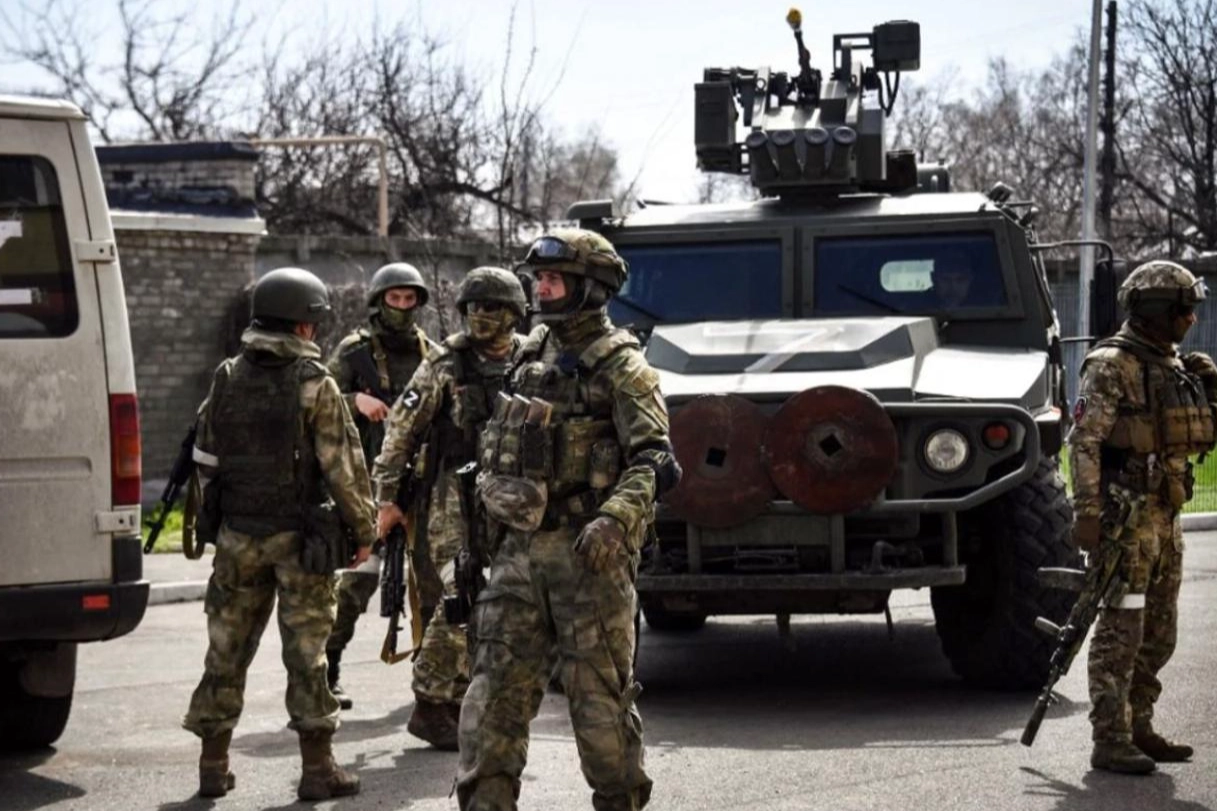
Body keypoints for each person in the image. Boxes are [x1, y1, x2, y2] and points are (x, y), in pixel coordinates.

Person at [456, 229, 682, 811]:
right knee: (491, 697)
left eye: (554, 279)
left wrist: (614, 521)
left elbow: (656, 460)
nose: (542, 288)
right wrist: (478, 543)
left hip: (588, 560)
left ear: (592, 287)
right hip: (516, 554)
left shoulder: (622, 365)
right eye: (539, 279)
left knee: (598, 705)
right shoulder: (528, 354)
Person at [181, 267, 376, 801]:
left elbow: (206, 457)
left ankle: (212, 767)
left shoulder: (227, 375)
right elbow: (343, 468)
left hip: (238, 537)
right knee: (307, 656)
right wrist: (363, 530)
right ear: (305, 325)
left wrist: (215, 522)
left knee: (225, 650)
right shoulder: (315, 383)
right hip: (301, 543)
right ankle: (318, 770)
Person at [371, 266, 528, 750]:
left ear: (513, 313)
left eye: (491, 307)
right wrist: (387, 499)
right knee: (461, 593)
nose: (480, 315)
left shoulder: (529, 359)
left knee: (498, 601)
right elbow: (401, 431)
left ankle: (459, 696)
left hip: (510, 498)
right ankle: (428, 700)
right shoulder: (444, 363)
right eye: (473, 307)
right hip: (451, 497)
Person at [1069, 260, 1216, 775]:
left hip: (1165, 517)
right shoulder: (1111, 365)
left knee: (1160, 631)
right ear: (1156, 310)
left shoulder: (1175, 366)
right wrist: (1087, 512)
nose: (1191, 320)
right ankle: (1110, 738)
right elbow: (1084, 442)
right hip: (1125, 521)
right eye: (1184, 310)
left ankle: (1139, 724)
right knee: (1120, 631)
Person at [325, 262, 435, 710]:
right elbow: (317, 402)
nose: (402, 306)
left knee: (430, 587)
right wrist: (356, 401)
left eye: (410, 299)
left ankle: (433, 681)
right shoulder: (354, 351)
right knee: (355, 585)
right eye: (395, 298)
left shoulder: (431, 353)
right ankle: (327, 672)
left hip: (421, 487)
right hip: (365, 488)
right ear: (379, 300)